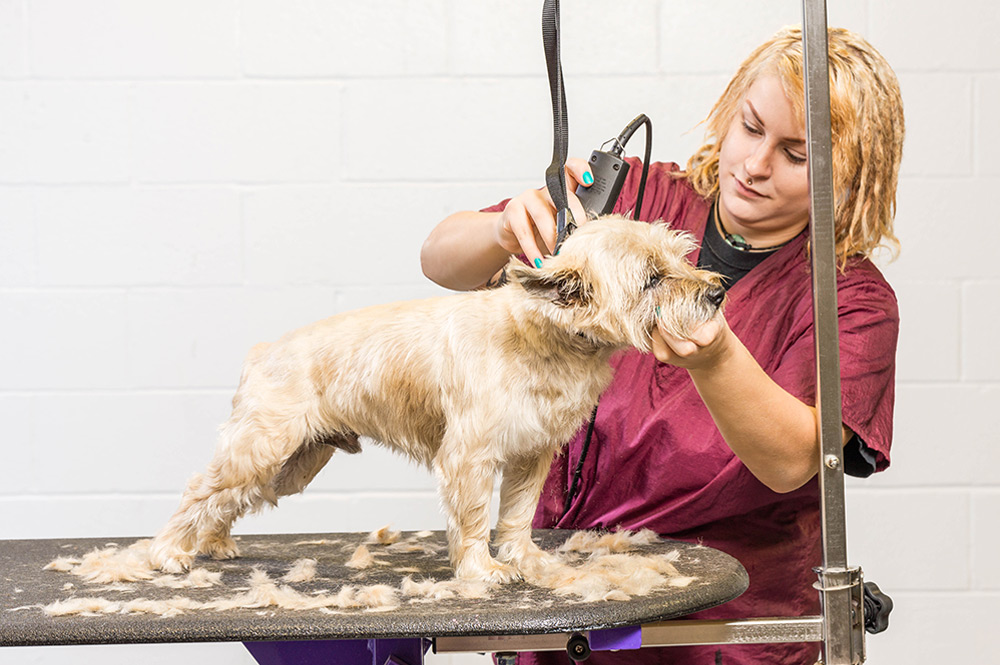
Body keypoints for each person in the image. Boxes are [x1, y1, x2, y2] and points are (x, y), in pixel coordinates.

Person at [421, 25, 903, 665]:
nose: (755, 165)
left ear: (851, 175)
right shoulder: (633, 197)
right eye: (751, 127)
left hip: (721, 632)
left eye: (796, 154)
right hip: (564, 605)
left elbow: (790, 462)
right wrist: (504, 231)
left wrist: (718, 358)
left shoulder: (852, 301)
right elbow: (439, 260)